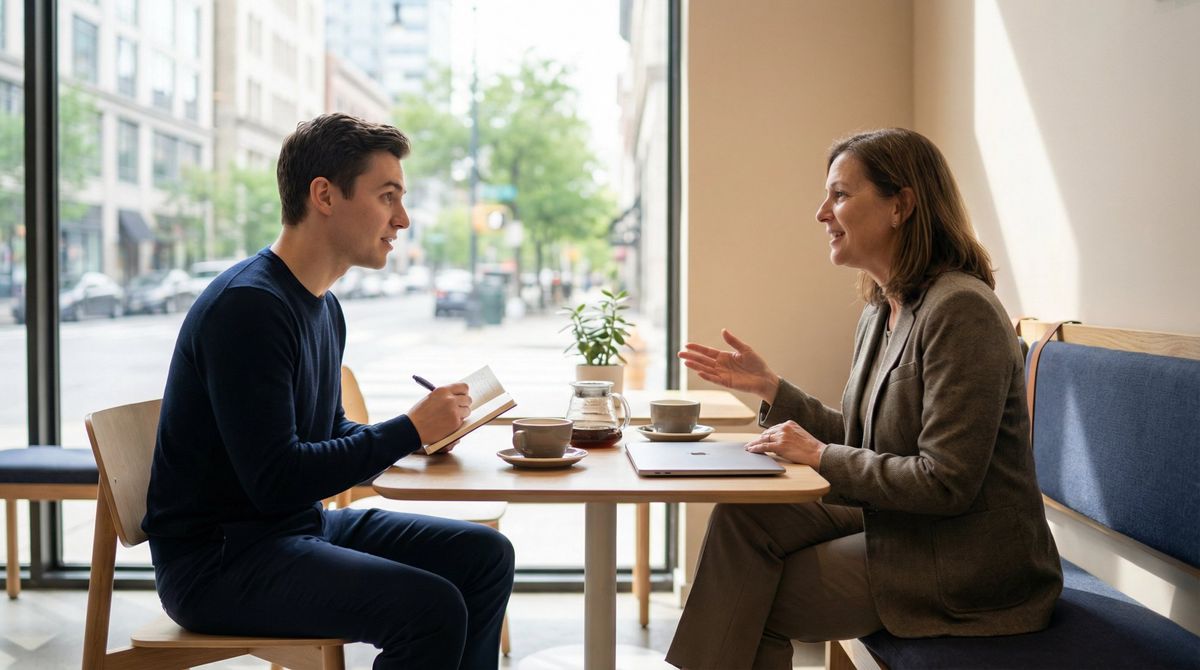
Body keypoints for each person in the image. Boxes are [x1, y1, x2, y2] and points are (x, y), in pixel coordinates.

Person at [665, 128, 1062, 669]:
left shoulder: (962, 311)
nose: (821, 213)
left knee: (750, 598)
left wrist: (819, 456)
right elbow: (864, 442)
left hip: (969, 558)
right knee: (744, 517)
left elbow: (946, 483)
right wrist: (772, 390)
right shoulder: (882, 310)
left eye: (841, 195)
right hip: (905, 523)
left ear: (901, 206)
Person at [143, 113, 515, 669]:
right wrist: (405, 430)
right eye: (387, 196)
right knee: (430, 608)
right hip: (220, 561)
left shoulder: (322, 305)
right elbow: (275, 480)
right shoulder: (248, 307)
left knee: (484, 554)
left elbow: (328, 433)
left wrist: (418, 438)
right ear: (324, 195)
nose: (403, 219)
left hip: (296, 529)